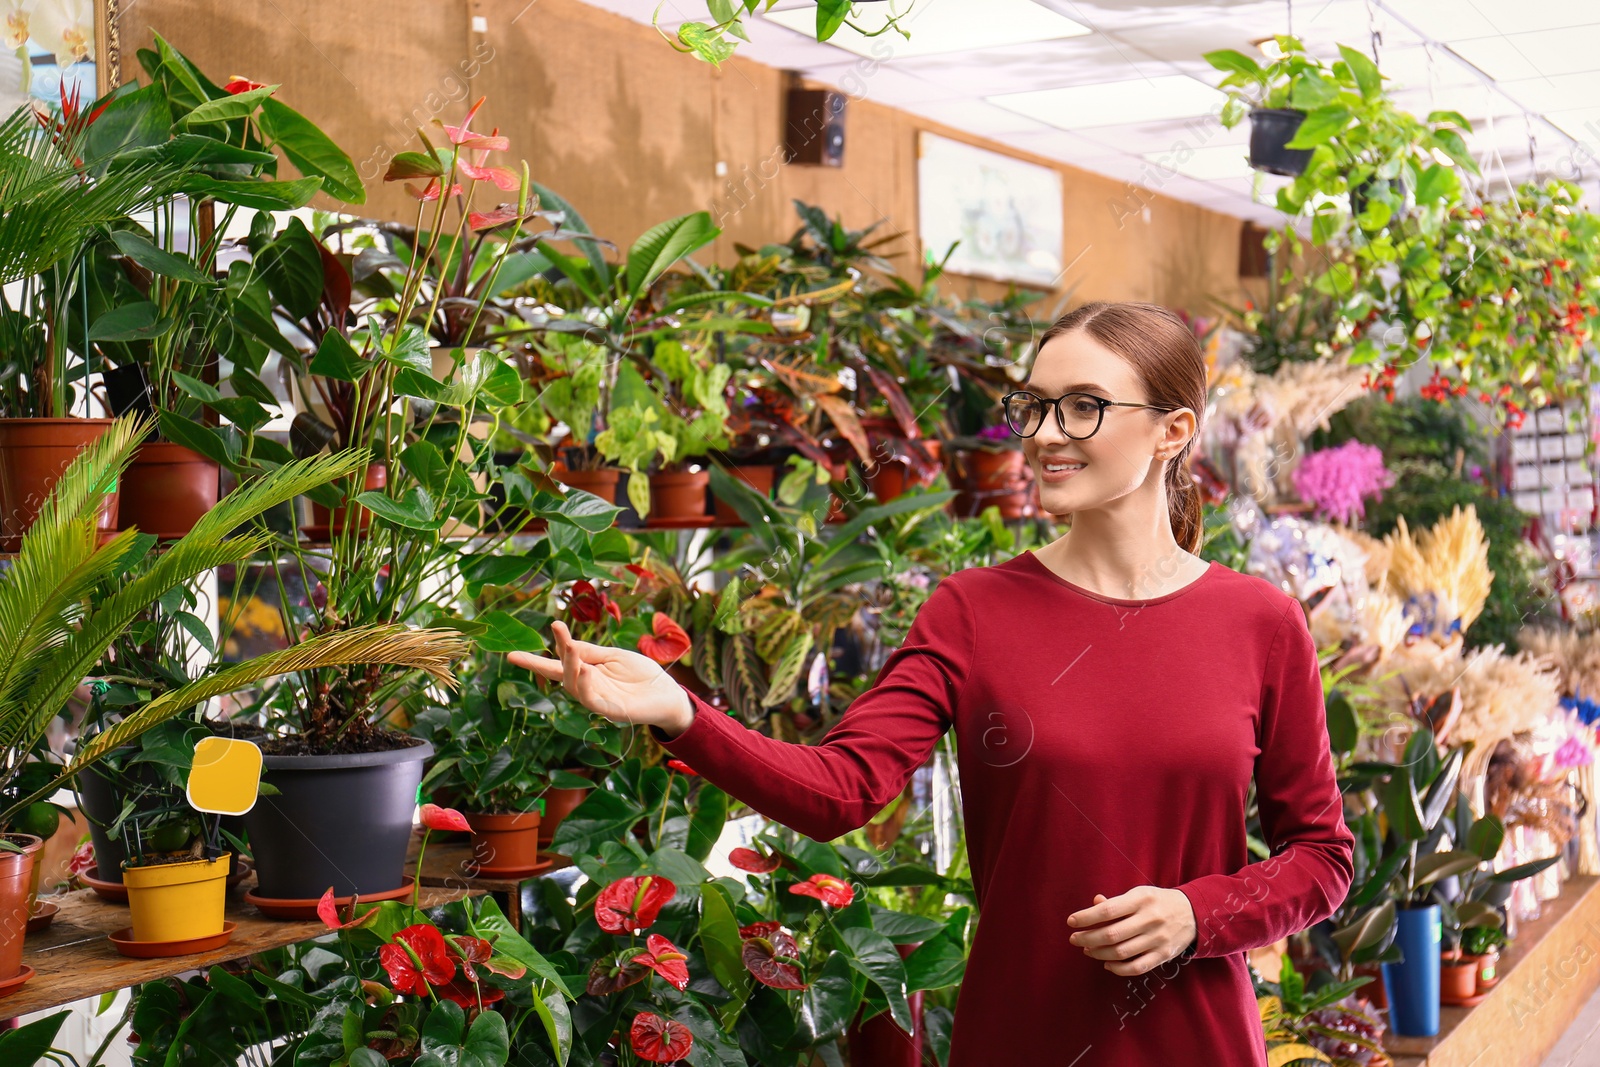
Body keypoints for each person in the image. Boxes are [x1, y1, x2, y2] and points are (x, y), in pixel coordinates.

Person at [510, 301, 1354, 1066]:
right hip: (1019, 1039)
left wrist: (1198, 913)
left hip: (1198, 1045)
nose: (1046, 433)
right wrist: (680, 711)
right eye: (1035, 404)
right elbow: (841, 788)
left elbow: (1323, 857)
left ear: (1172, 430)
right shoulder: (974, 610)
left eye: (1084, 406)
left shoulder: (1260, 622)